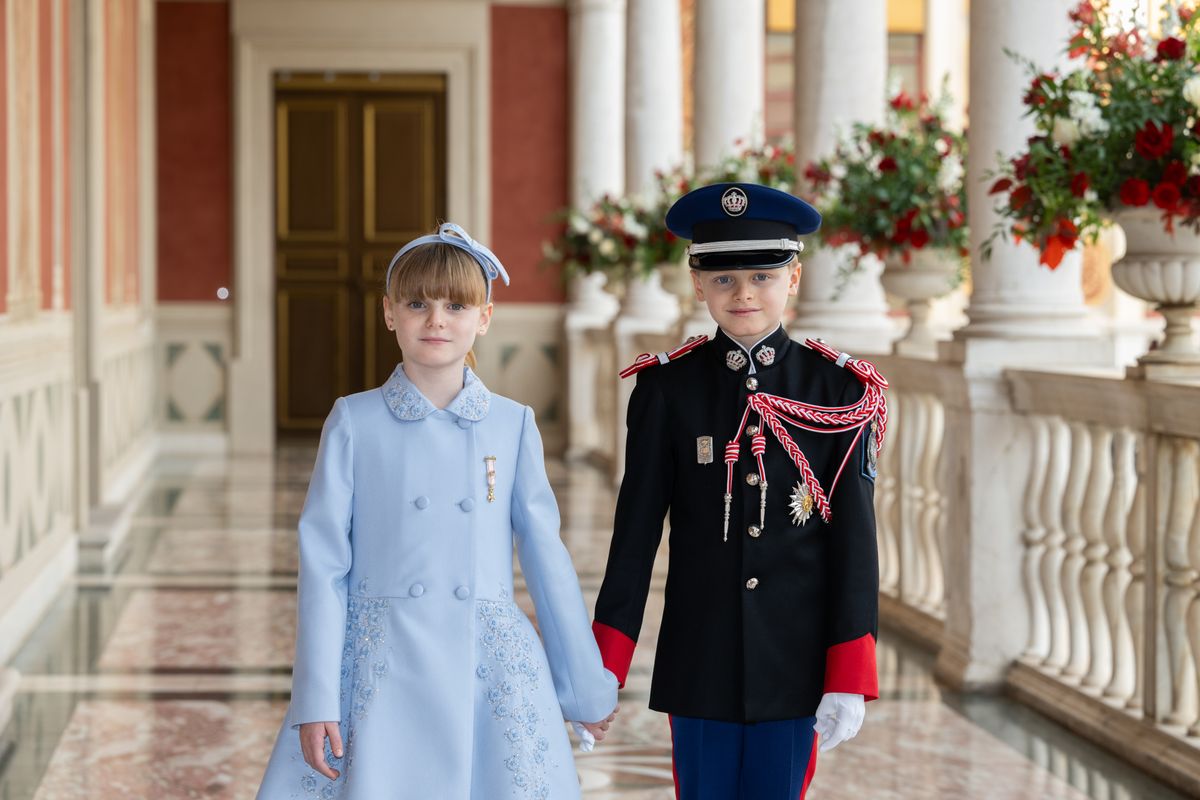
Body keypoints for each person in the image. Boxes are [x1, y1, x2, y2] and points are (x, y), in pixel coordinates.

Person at [257, 223, 618, 800]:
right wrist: (316, 698)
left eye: (456, 305)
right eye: (417, 303)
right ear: (388, 313)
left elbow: (547, 561)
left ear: (485, 317)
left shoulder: (512, 422)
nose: (436, 320)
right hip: (381, 665)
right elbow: (323, 566)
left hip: (489, 664)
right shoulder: (354, 421)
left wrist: (584, 689)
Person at [592, 183, 888, 799]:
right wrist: (605, 662)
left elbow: (855, 544)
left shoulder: (836, 390)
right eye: (723, 279)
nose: (744, 293)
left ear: (794, 277)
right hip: (700, 657)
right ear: (698, 284)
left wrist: (848, 671)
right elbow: (636, 532)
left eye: (761, 274)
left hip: (796, 662)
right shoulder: (667, 390)